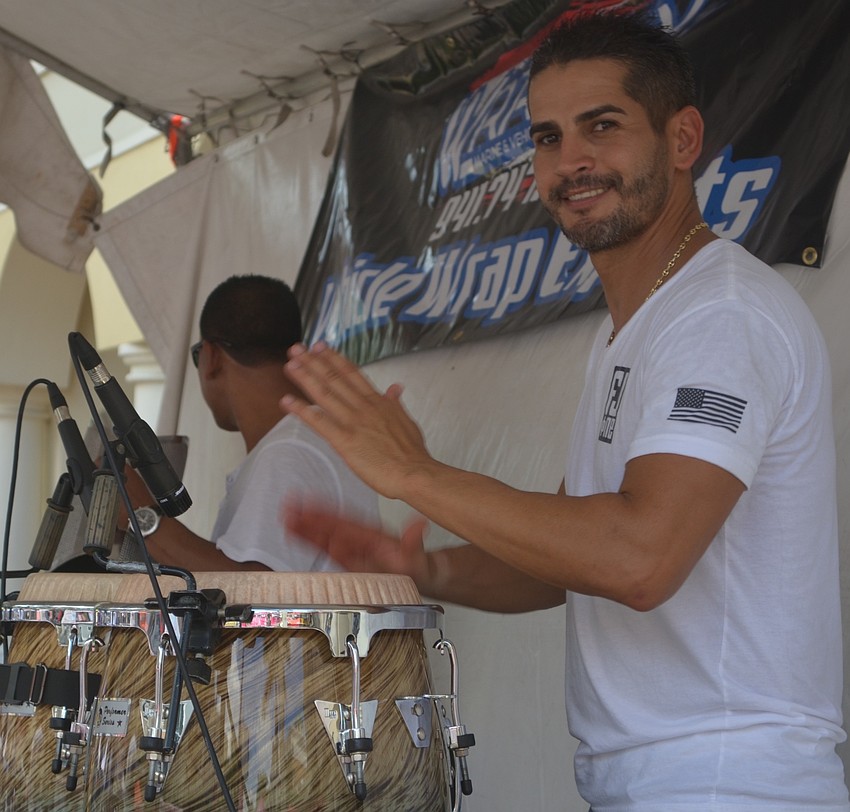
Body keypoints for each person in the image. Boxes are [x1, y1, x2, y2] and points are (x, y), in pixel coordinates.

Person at [278, 11, 850, 811]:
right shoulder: (638, 326)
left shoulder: (719, 315)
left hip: (730, 782)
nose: (570, 161)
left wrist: (415, 474)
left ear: (682, 141)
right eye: (547, 137)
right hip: (664, 782)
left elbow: (639, 559)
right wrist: (422, 568)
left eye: (602, 127)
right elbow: (571, 548)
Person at [121, 274, 380, 572]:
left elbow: (257, 594)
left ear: (212, 356)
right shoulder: (303, 439)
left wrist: (141, 516)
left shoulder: (289, 451)